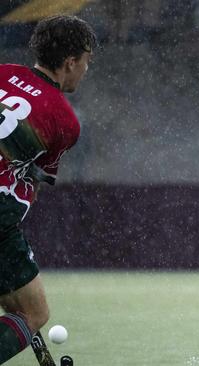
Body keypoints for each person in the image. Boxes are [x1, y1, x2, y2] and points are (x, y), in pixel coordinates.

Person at [0, 15, 96, 364]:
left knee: (26, 310)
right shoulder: (65, 122)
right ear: (70, 62)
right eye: (86, 62)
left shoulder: (3, 71)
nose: (86, 70)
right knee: (32, 315)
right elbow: (36, 180)